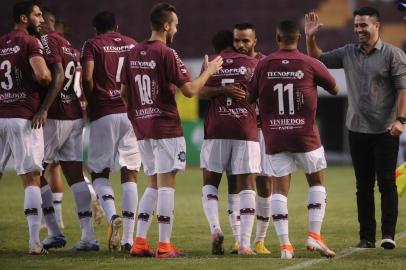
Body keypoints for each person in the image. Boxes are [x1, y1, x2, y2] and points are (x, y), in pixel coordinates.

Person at [120, 2, 223, 258]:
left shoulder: (132, 53)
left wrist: (140, 113)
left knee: (152, 183)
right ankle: (165, 245)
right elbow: (189, 91)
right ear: (166, 25)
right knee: (166, 183)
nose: (177, 28)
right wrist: (209, 71)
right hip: (165, 126)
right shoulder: (167, 53)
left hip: (142, 127)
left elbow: (123, 93)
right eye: (175, 24)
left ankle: (140, 241)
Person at [305, 7, 406, 249]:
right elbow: (318, 60)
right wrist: (310, 38)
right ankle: (367, 237)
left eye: (364, 25)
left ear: (377, 26)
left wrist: (401, 120)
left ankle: (388, 235)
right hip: (357, 129)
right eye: (356, 25)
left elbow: (403, 89)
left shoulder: (394, 55)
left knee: (386, 183)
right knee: (363, 186)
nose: (359, 29)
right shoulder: (348, 52)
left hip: (385, 130)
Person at [248, 20, 338, 259]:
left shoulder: (263, 64)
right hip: (305, 135)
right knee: (317, 183)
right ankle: (314, 235)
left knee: (279, 188)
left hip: (275, 135)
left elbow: (249, 97)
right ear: (297, 38)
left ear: (278, 38)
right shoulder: (310, 63)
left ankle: (285, 245)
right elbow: (335, 89)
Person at [36, 8, 98, 251]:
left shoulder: (46, 41)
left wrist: (43, 107)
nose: (37, 23)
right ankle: (88, 237)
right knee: (75, 176)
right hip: (75, 116)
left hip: (54, 117)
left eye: (40, 19)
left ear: (45, 24)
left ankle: (53, 232)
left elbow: (57, 76)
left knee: (33, 172)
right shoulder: (70, 46)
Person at [81, 11, 141, 252]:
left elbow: (86, 78)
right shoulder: (133, 44)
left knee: (99, 172)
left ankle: (112, 215)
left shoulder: (92, 44)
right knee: (130, 172)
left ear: (96, 29)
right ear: (117, 26)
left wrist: (92, 98)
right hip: (130, 114)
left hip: (103, 112)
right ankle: (128, 238)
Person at [199, 29, 260, 256]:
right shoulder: (253, 64)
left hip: (216, 129)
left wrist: (220, 90)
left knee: (210, 184)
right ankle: (244, 243)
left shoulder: (212, 63)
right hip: (245, 129)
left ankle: (215, 228)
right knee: (247, 187)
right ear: (233, 44)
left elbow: (198, 90)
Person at [0, 0, 51, 255]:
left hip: (1, 115)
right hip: (23, 116)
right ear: (23, 18)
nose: (41, 19)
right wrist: (47, 78)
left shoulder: (1, 43)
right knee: (32, 177)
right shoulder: (31, 42)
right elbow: (43, 75)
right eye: (37, 15)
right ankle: (34, 243)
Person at [232, 22, 272, 255]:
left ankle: (260, 240)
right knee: (239, 184)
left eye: (245, 40)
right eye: (237, 40)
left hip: (263, 132)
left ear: (255, 41)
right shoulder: (228, 64)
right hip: (240, 132)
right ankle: (239, 239)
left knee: (265, 183)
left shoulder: (264, 64)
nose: (241, 45)